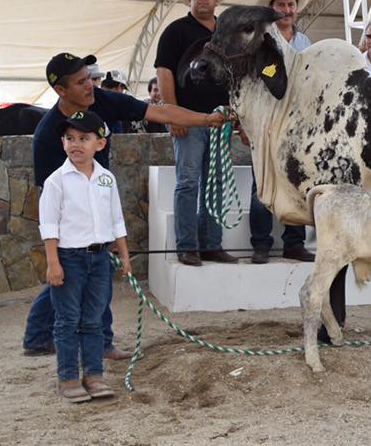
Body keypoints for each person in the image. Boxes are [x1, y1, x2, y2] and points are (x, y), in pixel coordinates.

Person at [22, 51, 232, 358]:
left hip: (98, 199)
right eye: (80, 82)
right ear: (61, 90)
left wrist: (206, 120)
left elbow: (161, 113)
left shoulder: (105, 101)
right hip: (72, 216)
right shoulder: (47, 136)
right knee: (76, 273)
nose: (90, 85)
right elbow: (48, 197)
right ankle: (91, 342)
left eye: (88, 77)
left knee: (85, 274)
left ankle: (44, 338)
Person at [40, 110, 132, 403]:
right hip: (69, 258)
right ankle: (68, 378)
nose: (75, 144)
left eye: (84, 138)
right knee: (67, 320)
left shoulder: (107, 179)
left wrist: (125, 255)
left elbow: (116, 218)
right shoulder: (57, 181)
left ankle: (94, 375)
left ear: (100, 144)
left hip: (100, 258)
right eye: (69, 138)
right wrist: (53, 263)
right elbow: (49, 225)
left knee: (93, 319)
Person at [155, 0, 238, 267]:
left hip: (220, 120)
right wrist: (171, 113)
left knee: (215, 182)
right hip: (188, 120)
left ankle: (212, 245)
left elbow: (236, 75)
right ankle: (187, 246)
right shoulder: (175, 31)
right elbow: (164, 72)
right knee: (188, 182)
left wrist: (235, 113)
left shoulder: (227, 34)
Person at [247, 0, 317, 264]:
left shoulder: (306, 44)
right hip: (265, 121)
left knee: (297, 181)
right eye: (281, 5)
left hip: (297, 123)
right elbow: (251, 85)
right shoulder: (258, 42)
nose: (286, 10)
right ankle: (261, 244)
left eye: (290, 4)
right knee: (261, 183)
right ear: (271, 9)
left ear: (296, 8)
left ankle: (293, 242)